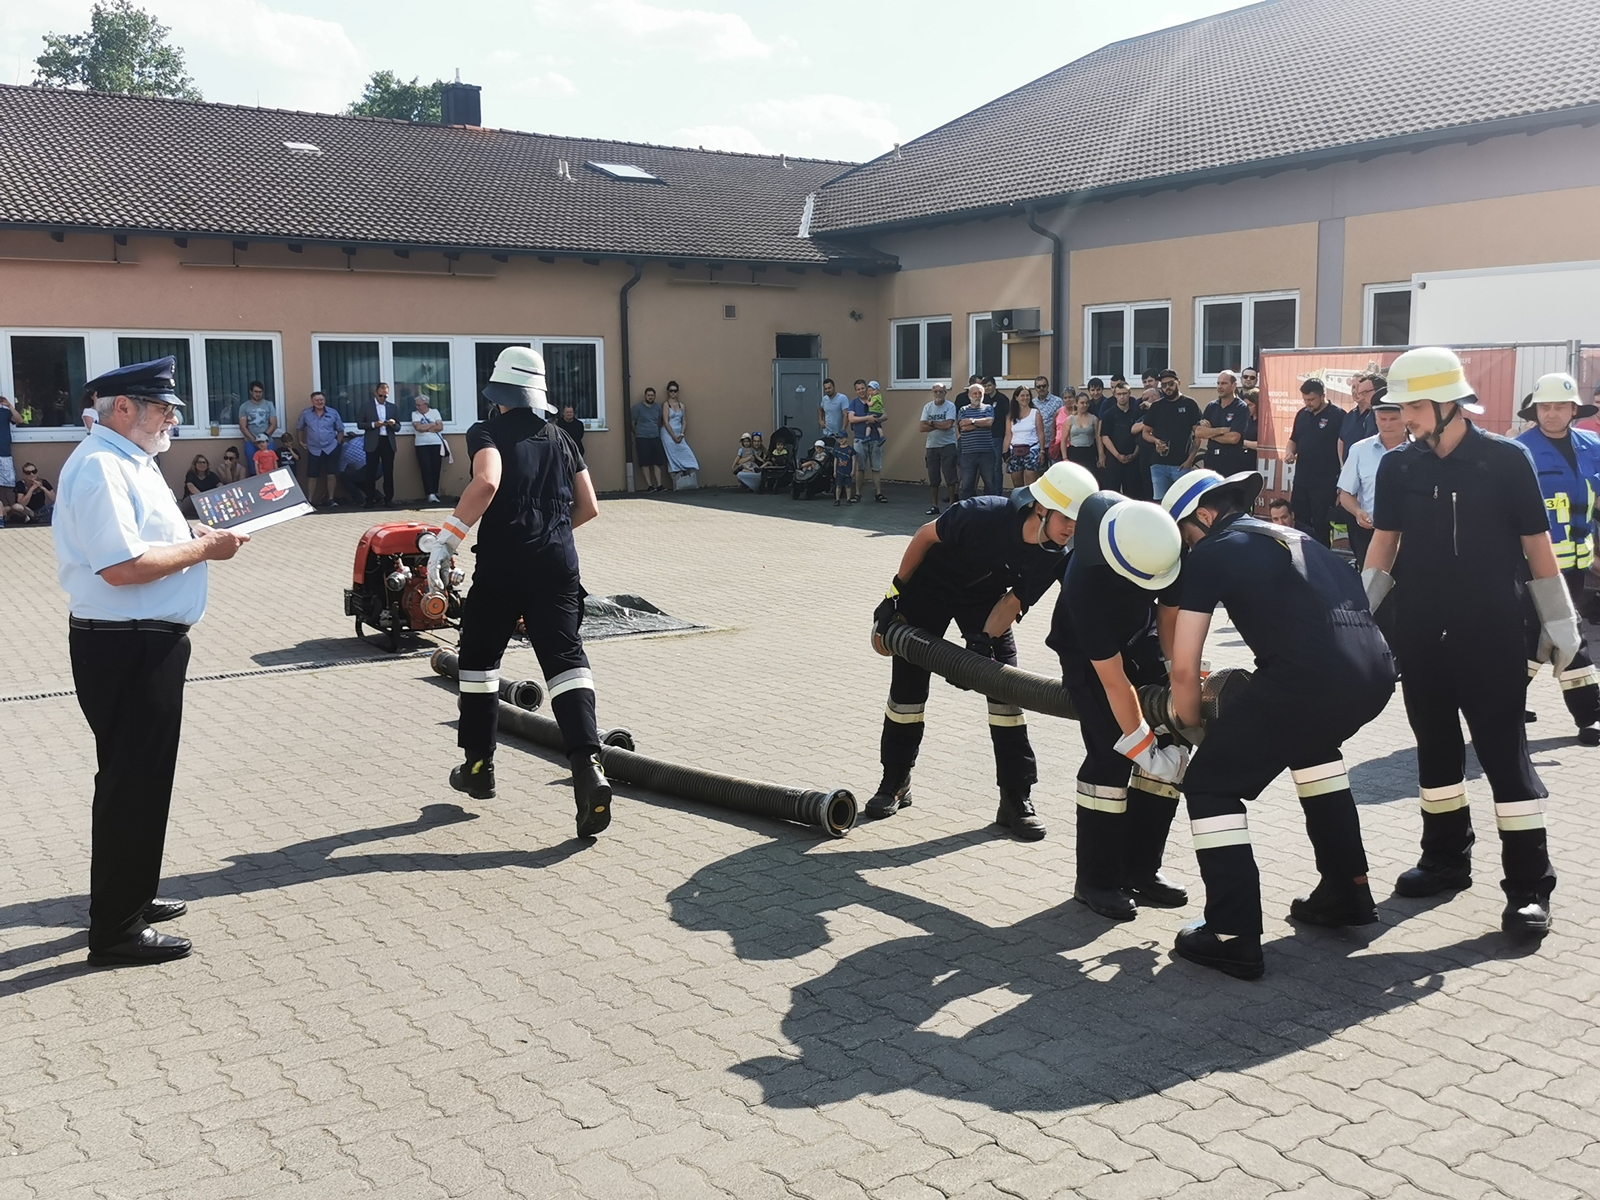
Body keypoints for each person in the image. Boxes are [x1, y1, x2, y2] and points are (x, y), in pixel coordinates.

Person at [1363, 346, 1576, 938]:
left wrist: (1560, 625)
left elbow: (1536, 545)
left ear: (1447, 403)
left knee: (1504, 756)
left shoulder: (1506, 460)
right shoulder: (1398, 466)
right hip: (1421, 633)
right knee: (1434, 748)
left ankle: (1529, 886)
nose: (1403, 419)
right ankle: (1445, 859)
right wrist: (1357, 615)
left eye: (1412, 408)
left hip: (1494, 633)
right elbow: (1384, 542)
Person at [53, 356, 249, 965]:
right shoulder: (101, 467)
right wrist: (205, 551)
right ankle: (116, 930)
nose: (171, 421)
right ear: (123, 407)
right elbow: (121, 567)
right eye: (162, 409)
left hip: (141, 640)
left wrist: (197, 534)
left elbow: (144, 541)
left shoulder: (129, 459)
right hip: (128, 643)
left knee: (140, 780)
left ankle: (131, 896)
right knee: (132, 784)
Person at [1162, 468, 1395, 979]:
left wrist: (1189, 726)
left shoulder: (1212, 551)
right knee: (1314, 752)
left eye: (1185, 536)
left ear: (1204, 516)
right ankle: (1347, 891)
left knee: (1210, 784)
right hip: (1375, 671)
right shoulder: (1296, 536)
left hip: (1308, 679)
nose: (1187, 547)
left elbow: (1183, 666)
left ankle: (1232, 934)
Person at [429, 346, 610, 837]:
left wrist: (447, 540)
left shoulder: (486, 431)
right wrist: (550, 536)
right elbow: (589, 506)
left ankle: (478, 766)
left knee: (479, 662)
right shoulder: (563, 438)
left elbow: (486, 482)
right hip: (558, 564)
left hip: (503, 564)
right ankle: (589, 768)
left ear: (499, 394)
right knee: (566, 662)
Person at [868, 462, 1099, 839]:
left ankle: (1015, 799)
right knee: (907, 693)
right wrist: (895, 594)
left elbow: (1012, 601)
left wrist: (982, 642)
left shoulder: (1056, 554)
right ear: (1042, 507)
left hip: (985, 603)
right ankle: (895, 781)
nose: (1071, 529)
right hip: (929, 589)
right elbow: (924, 536)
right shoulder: (982, 514)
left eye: (1079, 522)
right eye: (1067, 519)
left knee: (1006, 692)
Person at [1046, 491, 1189, 920]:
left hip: (1139, 633)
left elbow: (1168, 615)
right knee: (1112, 750)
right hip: (1088, 653)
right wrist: (1141, 746)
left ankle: (1140, 870)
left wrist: (1173, 673)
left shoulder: (1161, 544)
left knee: (1174, 734)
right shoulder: (1084, 583)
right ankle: (1095, 880)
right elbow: (1113, 680)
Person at [1513, 372, 1600, 744]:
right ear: (1535, 411)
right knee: (1568, 631)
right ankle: (1590, 715)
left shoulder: (1593, 446)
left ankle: (1503, 704)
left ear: (1574, 410)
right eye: (1544, 407)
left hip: (1578, 565)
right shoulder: (1519, 451)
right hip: (1533, 565)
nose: (1551, 413)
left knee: (1537, 637)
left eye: (1560, 406)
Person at [1336, 389, 1407, 568]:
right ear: (1375, 419)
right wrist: (1357, 511)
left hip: (1409, 535)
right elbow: (1345, 494)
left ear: (1405, 418)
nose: (1387, 425)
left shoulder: (1421, 451)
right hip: (1370, 533)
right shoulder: (1360, 450)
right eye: (1382, 419)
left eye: (1393, 419)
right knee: (1372, 581)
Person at [1285, 378, 1346, 547]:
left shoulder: (1338, 415)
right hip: (1302, 480)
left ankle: (1322, 556)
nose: (1308, 403)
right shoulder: (1302, 414)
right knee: (1300, 521)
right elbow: (1293, 439)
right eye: (1305, 399)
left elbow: (1344, 447)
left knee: (1321, 524)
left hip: (1325, 483)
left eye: (1311, 399)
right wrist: (1289, 452)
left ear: (1322, 396)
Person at [1141, 370, 1203, 499]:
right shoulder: (1156, 406)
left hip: (1181, 464)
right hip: (1158, 464)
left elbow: (1198, 435)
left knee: (1182, 501)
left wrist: (1190, 460)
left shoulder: (1190, 404)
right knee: (1160, 502)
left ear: (1178, 383)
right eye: (1164, 385)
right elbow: (1145, 433)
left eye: (1171, 384)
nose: (1167, 388)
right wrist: (1155, 441)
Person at [1193, 370, 1253, 478]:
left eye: (1224, 383)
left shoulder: (1241, 407)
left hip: (1231, 460)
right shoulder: (1212, 406)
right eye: (1218, 383)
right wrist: (1220, 430)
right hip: (1211, 458)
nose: (1220, 387)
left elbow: (1234, 438)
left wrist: (1210, 433)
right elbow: (1198, 432)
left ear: (1234, 385)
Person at [295, 390, 344, 508]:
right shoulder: (306, 413)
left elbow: (340, 429)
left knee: (331, 474)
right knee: (312, 475)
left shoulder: (333, 413)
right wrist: (301, 442)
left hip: (331, 447)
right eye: (316, 400)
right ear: (312, 401)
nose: (319, 402)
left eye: (321, 400)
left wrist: (338, 443)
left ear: (325, 400)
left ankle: (331, 499)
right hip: (314, 449)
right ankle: (310, 500)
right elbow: (299, 428)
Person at [357, 382, 400, 507]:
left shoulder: (392, 407)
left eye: (385, 396)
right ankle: (370, 499)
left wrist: (393, 424)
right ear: (375, 393)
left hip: (388, 441)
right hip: (373, 441)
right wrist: (373, 425)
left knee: (388, 471)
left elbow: (398, 427)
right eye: (381, 395)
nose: (383, 398)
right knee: (370, 471)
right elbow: (360, 424)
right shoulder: (366, 406)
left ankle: (388, 499)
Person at [1097, 382, 1142, 497]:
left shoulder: (1137, 413)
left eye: (1125, 393)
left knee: (1132, 495)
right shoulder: (1108, 415)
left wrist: (1135, 454)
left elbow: (1140, 436)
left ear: (1129, 394)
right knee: (1112, 494)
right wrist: (1117, 455)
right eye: (1119, 394)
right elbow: (1104, 437)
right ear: (1114, 395)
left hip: (1133, 460)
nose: (1122, 397)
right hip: (1114, 460)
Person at [920, 383, 959, 515]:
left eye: (941, 391)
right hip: (932, 446)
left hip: (948, 445)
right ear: (932, 392)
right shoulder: (928, 407)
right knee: (933, 477)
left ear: (945, 393)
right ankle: (934, 506)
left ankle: (951, 505)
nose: (938, 394)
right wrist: (939, 425)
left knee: (950, 476)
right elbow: (921, 428)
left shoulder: (950, 406)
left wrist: (931, 423)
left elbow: (948, 425)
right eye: (936, 391)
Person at [956, 383, 997, 499]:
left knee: (990, 483)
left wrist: (972, 422)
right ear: (969, 395)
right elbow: (963, 427)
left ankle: (990, 506)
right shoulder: (963, 410)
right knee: (967, 484)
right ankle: (967, 508)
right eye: (975, 393)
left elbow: (989, 423)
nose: (978, 396)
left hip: (986, 452)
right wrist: (981, 423)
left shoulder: (988, 408)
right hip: (968, 453)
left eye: (980, 393)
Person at [849, 379, 888, 503]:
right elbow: (851, 419)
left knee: (876, 467)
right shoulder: (853, 403)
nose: (861, 391)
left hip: (875, 439)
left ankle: (879, 494)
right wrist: (867, 418)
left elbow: (885, 416)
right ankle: (858, 494)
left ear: (867, 388)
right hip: (860, 439)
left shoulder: (874, 398)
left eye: (862, 388)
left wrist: (875, 420)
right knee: (860, 467)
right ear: (855, 391)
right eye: (858, 389)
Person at [1002, 385, 1046, 487]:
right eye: (1022, 395)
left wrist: (1042, 451)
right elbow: (1008, 435)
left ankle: (1031, 498)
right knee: (1017, 484)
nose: (1025, 398)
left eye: (1027, 395)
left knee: (1031, 483)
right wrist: (1005, 453)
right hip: (1014, 450)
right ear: (1016, 398)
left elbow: (1040, 433)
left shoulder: (1035, 413)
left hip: (1032, 450)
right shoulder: (1010, 416)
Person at [660, 381, 699, 487]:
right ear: (668, 392)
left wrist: (681, 434)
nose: (673, 393)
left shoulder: (682, 405)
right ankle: (676, 478)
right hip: (668, 434)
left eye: (675, 391)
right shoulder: (666, 405)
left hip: (679, 433)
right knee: (672, 455)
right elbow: (666, 421)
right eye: (671, 391)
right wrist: (673, 436)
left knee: (686, 452)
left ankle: (689, 474)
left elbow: (684, 421)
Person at [236, 381, 277, 478]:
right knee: (254, 468)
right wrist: (254, 440)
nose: (258, 394)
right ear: (251, 392)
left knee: (270, 467)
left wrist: (264, 438)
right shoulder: (244, 406)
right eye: (255, 391)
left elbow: (274, 424)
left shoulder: (269, 405)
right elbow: (243, 427)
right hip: (251, 441)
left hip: (267, 440)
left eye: (260, 392)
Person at [1338, 372, 1382, 466]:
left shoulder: (1377, 414)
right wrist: (1343, 465)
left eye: (1359, 388)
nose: (1356, 391)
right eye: (1353, 387)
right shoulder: (1349, 415)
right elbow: (1341, 440)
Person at [631, 386, 667, 492]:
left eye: (652, 395)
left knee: (657, 462)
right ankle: (650, 485)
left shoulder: (658, 408)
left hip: (655, 437)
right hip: (642, 438)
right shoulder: (638, 408)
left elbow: (660, 421)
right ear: (645, 396)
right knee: (645, 463)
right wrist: (638, 433)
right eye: (648, 395)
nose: (650, 397)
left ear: (654, 396)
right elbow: (633, 422)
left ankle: (659, 485)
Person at [412, 393, 445, 503]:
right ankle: (429, 493)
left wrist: (425, 427)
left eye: (419, 405)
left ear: (426, 404)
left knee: (436, 468)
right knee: (426, 468)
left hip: (436, 443)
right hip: (421, 445)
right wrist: (432, 425)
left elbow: (440, 427)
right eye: (416, 405)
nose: (417, 407)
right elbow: (418, 428)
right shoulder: (415, 414)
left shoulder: (434, 412)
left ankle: (435, 492)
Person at [1062, 392, 1100, 473]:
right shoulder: (1069, 420)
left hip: (1089, 453)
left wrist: (1101, 455)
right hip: (1074, 452)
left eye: (1086, 403)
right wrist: (1065, 458)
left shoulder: (1094, 419)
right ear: (1076, 404)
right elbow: (1063, 440)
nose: (1085, 405)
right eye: (1082, 403)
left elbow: (1098, 439)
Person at [1033, 376, 1064, 469]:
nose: (1041, 388)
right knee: (1040, 472)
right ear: (1035, 388)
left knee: (1056, 471)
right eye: (1038, 386)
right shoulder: (1032, 403)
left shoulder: (1058, 401)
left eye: (1044, 386)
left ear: (1048, 386)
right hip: (1038, 444)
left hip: (1054, 443)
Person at [177, 454, 220, 519]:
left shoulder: (211, 475)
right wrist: (204, 499)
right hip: (194, 501)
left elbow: (220, 486)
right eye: (199, 462)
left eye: (204, 462)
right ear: (195, 465)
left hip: (209, 501)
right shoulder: (191, 474)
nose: (202, 464)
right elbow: (191, 487)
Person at [336, 429, 371, 506]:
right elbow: (368, 437)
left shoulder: (343, 454)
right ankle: (377, 496)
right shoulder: (358, 440)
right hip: (378, 467)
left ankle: (359, 499)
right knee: (358, 479)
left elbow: (341, 471)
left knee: (346, 478)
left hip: (366, 470)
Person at [818, 377, 852, 447]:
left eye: (829, 388)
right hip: (826, 433)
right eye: (826, 389)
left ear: (834, 387)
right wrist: (820, 420)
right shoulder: (824, 399)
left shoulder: (842, 398)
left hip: (838, 435)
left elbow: (845, 415)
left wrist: (843, 430)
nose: (828, 390)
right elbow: (820, 410)